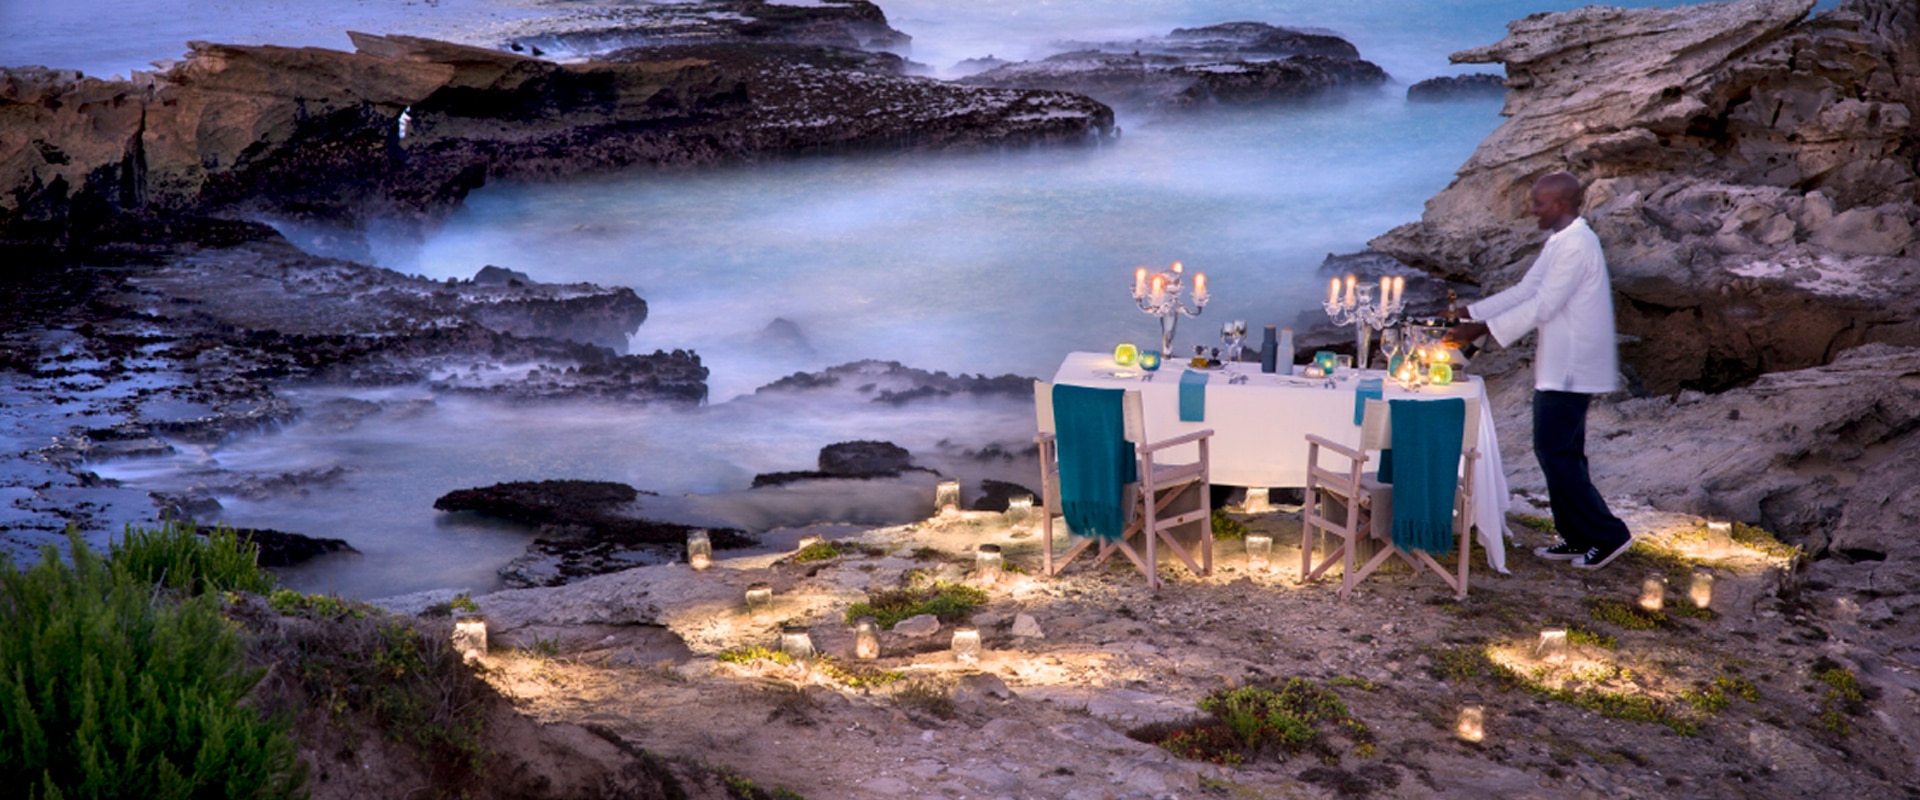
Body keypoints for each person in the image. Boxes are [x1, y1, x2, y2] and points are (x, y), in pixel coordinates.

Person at [1444, 171, 1634, 570]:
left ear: (1561, 205)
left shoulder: (1577, 245)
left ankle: (1607, 534)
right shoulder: (1561, 241)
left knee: (1556, 452)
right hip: (1562, 365)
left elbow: (1543, 305)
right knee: (1561, 452)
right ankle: (1575, 535)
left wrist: (1479, 330)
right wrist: (1470, 312)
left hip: (1572, 367)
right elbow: (1525, 291)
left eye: (1539, 202)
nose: (1532, 209)